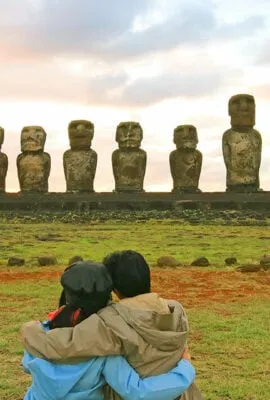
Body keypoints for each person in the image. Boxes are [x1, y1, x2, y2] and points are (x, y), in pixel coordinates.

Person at [22, 252, 204, 399]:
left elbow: (64, 344)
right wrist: (185, 366)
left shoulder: (111, 321)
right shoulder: (176, 309)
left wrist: (31, 330)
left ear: (114, 288)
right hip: (182, 394)